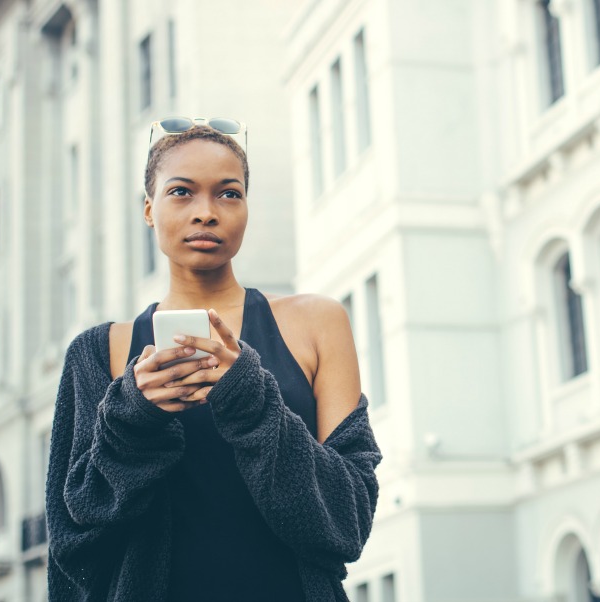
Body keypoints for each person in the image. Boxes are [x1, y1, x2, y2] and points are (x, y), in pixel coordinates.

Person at [45, 120, 382, 601]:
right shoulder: (99, 352)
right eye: (181, 192)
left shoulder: (317, 323)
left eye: (228, 194)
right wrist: (132, 419)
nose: (206, 212)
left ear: (246, 208)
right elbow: (74, 540)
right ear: (148, 209)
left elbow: (347, 522)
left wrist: (249, 396)